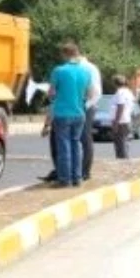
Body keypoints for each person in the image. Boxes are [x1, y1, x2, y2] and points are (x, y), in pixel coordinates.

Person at [41, 50, 101, 182]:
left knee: (64, 147)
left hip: (62, 113)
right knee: (76, 146)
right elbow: (92, 94)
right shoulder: (86, 72)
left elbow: (51, 94)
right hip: (79, 113)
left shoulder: (59, 71)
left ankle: (65, 179)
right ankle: (77, 177)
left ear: (65, 55)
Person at [110, 74, 137, 159]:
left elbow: (120, 106)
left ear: (115, 83)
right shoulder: (128, 92)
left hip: (121, 122)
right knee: (124, 144)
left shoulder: (120, 92)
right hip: (126, 120)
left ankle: (123, 165)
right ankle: (125, 163)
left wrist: (116, 122)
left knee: (120, 145)